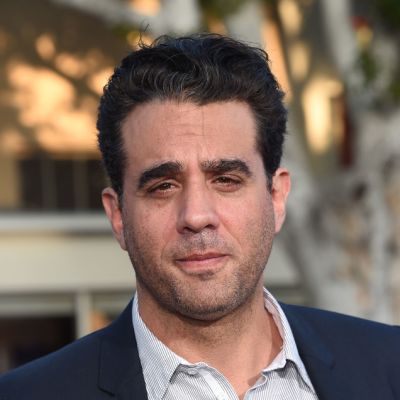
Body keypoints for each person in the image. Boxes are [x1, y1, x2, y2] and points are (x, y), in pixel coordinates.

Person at [0, 33, 399, 400]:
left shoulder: (389, 366)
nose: (196, 216)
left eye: (226, 180)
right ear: (118, 215)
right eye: (163, 186)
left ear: (276, 197)